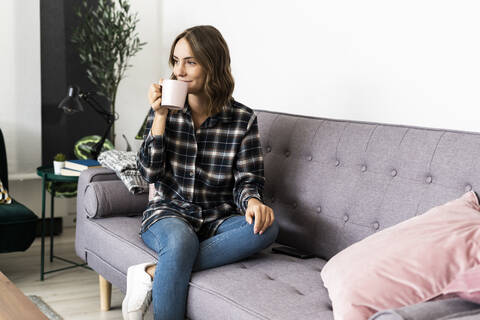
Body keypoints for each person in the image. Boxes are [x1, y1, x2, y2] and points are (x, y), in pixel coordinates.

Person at [122, 25, 279, 320]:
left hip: (218, 217)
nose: (179, 71)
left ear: (213, 64)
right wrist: (159, 117)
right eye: (176, 61)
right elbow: (148, 173)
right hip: (169, 213)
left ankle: (152, 272)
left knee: (267, 228)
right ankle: (173, 263)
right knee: (181, 242)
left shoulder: (242, 119)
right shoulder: (163, 110)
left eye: (190, 61)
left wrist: (253, 202)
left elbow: (248, 179)